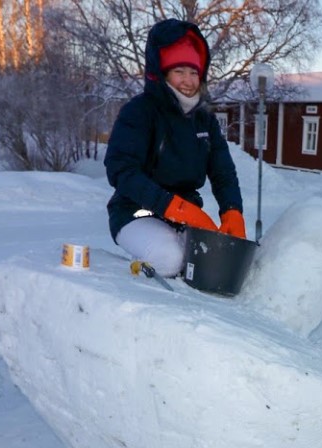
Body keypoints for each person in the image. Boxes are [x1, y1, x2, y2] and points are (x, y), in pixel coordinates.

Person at [103, 18, 246, 278]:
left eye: (194, 72)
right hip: (136, 212)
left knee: (210, 262)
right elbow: (120, 169)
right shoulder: (140, 112)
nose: (188, 80)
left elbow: (223, 172)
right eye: (179, 71)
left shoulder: (205, 119)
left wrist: (232, 211)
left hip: (185, 217)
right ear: (162, 72)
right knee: (170, 260)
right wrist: (172, 206)